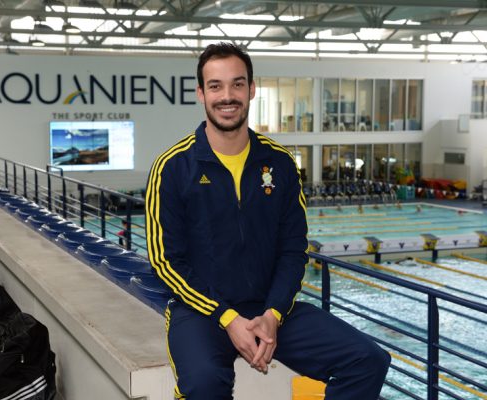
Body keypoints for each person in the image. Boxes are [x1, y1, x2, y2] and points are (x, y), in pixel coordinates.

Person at [145, 42, 390, 400]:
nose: (227, 96)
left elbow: (293, 250)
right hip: (202, 312)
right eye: (215, 86)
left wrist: (274, 313)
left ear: (252, 89)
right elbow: (165, 261)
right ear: (200, 93)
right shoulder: (172, 167)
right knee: (204, 384)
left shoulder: (280, 163)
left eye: (237, 84)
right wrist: (227, 317)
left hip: (268, 308)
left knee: (368, 360)